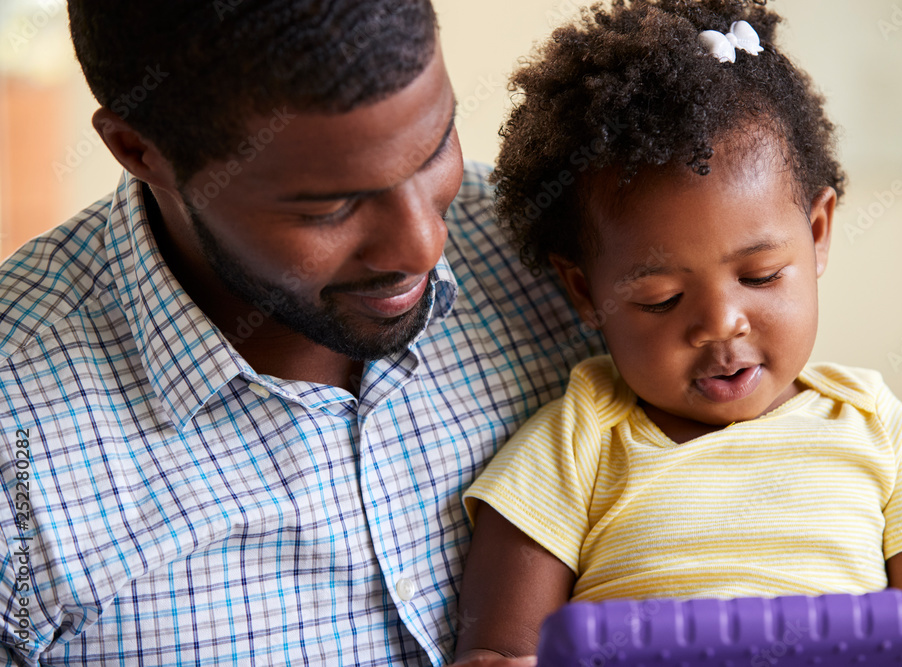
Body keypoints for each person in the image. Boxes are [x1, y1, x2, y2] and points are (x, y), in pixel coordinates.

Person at [0, 1, 601, 664]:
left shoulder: (580, 264)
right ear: (138, 149)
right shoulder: (14, 441)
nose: (423, 245)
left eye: (435, 149)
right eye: (331, 207)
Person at [454, 0, 902, 664]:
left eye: (763, 275)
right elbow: (498, 650)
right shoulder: (577, 441)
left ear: (819, 233)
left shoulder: (877, 426)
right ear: (584, 290)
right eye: (663, 298)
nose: (720, 323)